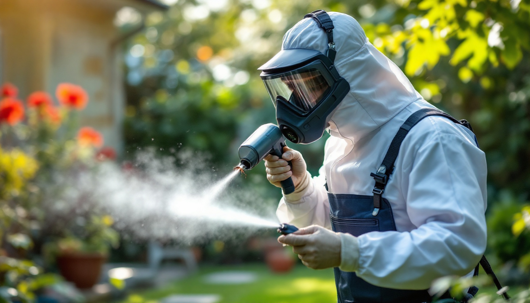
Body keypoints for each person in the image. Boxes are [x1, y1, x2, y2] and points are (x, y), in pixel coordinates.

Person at [260, 10, 492, 303]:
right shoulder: (340, 144)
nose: (298, 102)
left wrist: (350, 253)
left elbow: (455, 245)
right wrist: (301, 188)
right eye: (293, 89)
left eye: (307, 86)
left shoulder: (432, 137)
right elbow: (332, 228)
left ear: (346, 72)